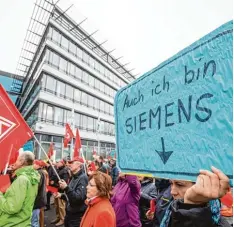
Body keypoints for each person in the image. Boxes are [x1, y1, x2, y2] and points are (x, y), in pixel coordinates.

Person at [146, 166, 231, 227]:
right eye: (171, 183)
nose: (172, 191)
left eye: (180, 184)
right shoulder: (171, 209)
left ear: (203, 184)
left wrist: (193, 204)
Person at [0, 152, 40, 227]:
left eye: (17, 160)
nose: (15, 162)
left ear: (21, 162)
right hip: (23, 221)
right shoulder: (32, 176)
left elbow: (11, 207)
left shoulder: (22, 179)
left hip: (13, 223)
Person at [56, 157, 88, 227]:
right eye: (69, 163)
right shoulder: (73, 177)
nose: (69, 164)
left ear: (79, 165)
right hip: (69, 213)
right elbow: (71, 196)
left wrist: (66, 188)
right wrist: (62, 195)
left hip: (76, 216)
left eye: (72, 163)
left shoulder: (83, 178)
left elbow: (78, 198)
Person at [51, 159, 70, 226]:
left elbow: (64, 182)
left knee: (61, 206)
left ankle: (62, 219)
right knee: (56, 205)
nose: (57, 163)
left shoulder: (65, 171)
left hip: (61, 192)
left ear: (62, 163)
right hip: (56, 190)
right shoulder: (58, 169)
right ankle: (58, 217)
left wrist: (55, 184)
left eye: (58, 162)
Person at [31, 160, 47, 227]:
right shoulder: (41, 172)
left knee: (34, 221)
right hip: (40, 198)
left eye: (33, 164)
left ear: (37, 165)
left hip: (38, 199)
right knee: (36, 218)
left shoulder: (39, 173)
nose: (32, 166)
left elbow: (36, 187)